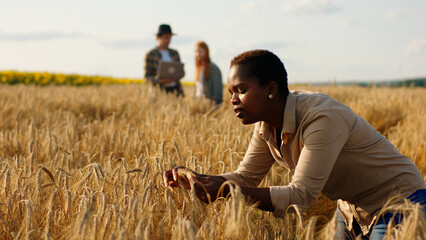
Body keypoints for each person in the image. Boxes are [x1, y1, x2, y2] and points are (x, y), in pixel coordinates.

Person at [163, 50, 426, 239]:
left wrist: (226, 191)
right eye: (230, 91)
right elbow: (245, 176)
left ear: (271, 89)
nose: (233, 99)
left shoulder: (322, 118)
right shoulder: (266, 124)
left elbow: (301, 195)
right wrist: (200, 179)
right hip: (351, 209)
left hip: (401, 203)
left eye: (241, 90)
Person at [144, 24, 184, 97]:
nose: (168, 40)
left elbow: (181, 72)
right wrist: (160, 81)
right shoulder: (151, 54)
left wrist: (176, 78)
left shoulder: (175, 53)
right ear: (158, 37)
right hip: (158, 92)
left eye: (170, 38)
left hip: (176, 91)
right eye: (166, 37)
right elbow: (147, 77)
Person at [194, 41, 223, 105]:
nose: (198, 54)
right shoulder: (199, 68)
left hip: (208, 103)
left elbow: (217, 88)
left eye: (200, 51)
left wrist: (215, 104)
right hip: (199, 102)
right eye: (196, 51)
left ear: (206, 52)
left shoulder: (213, 68)